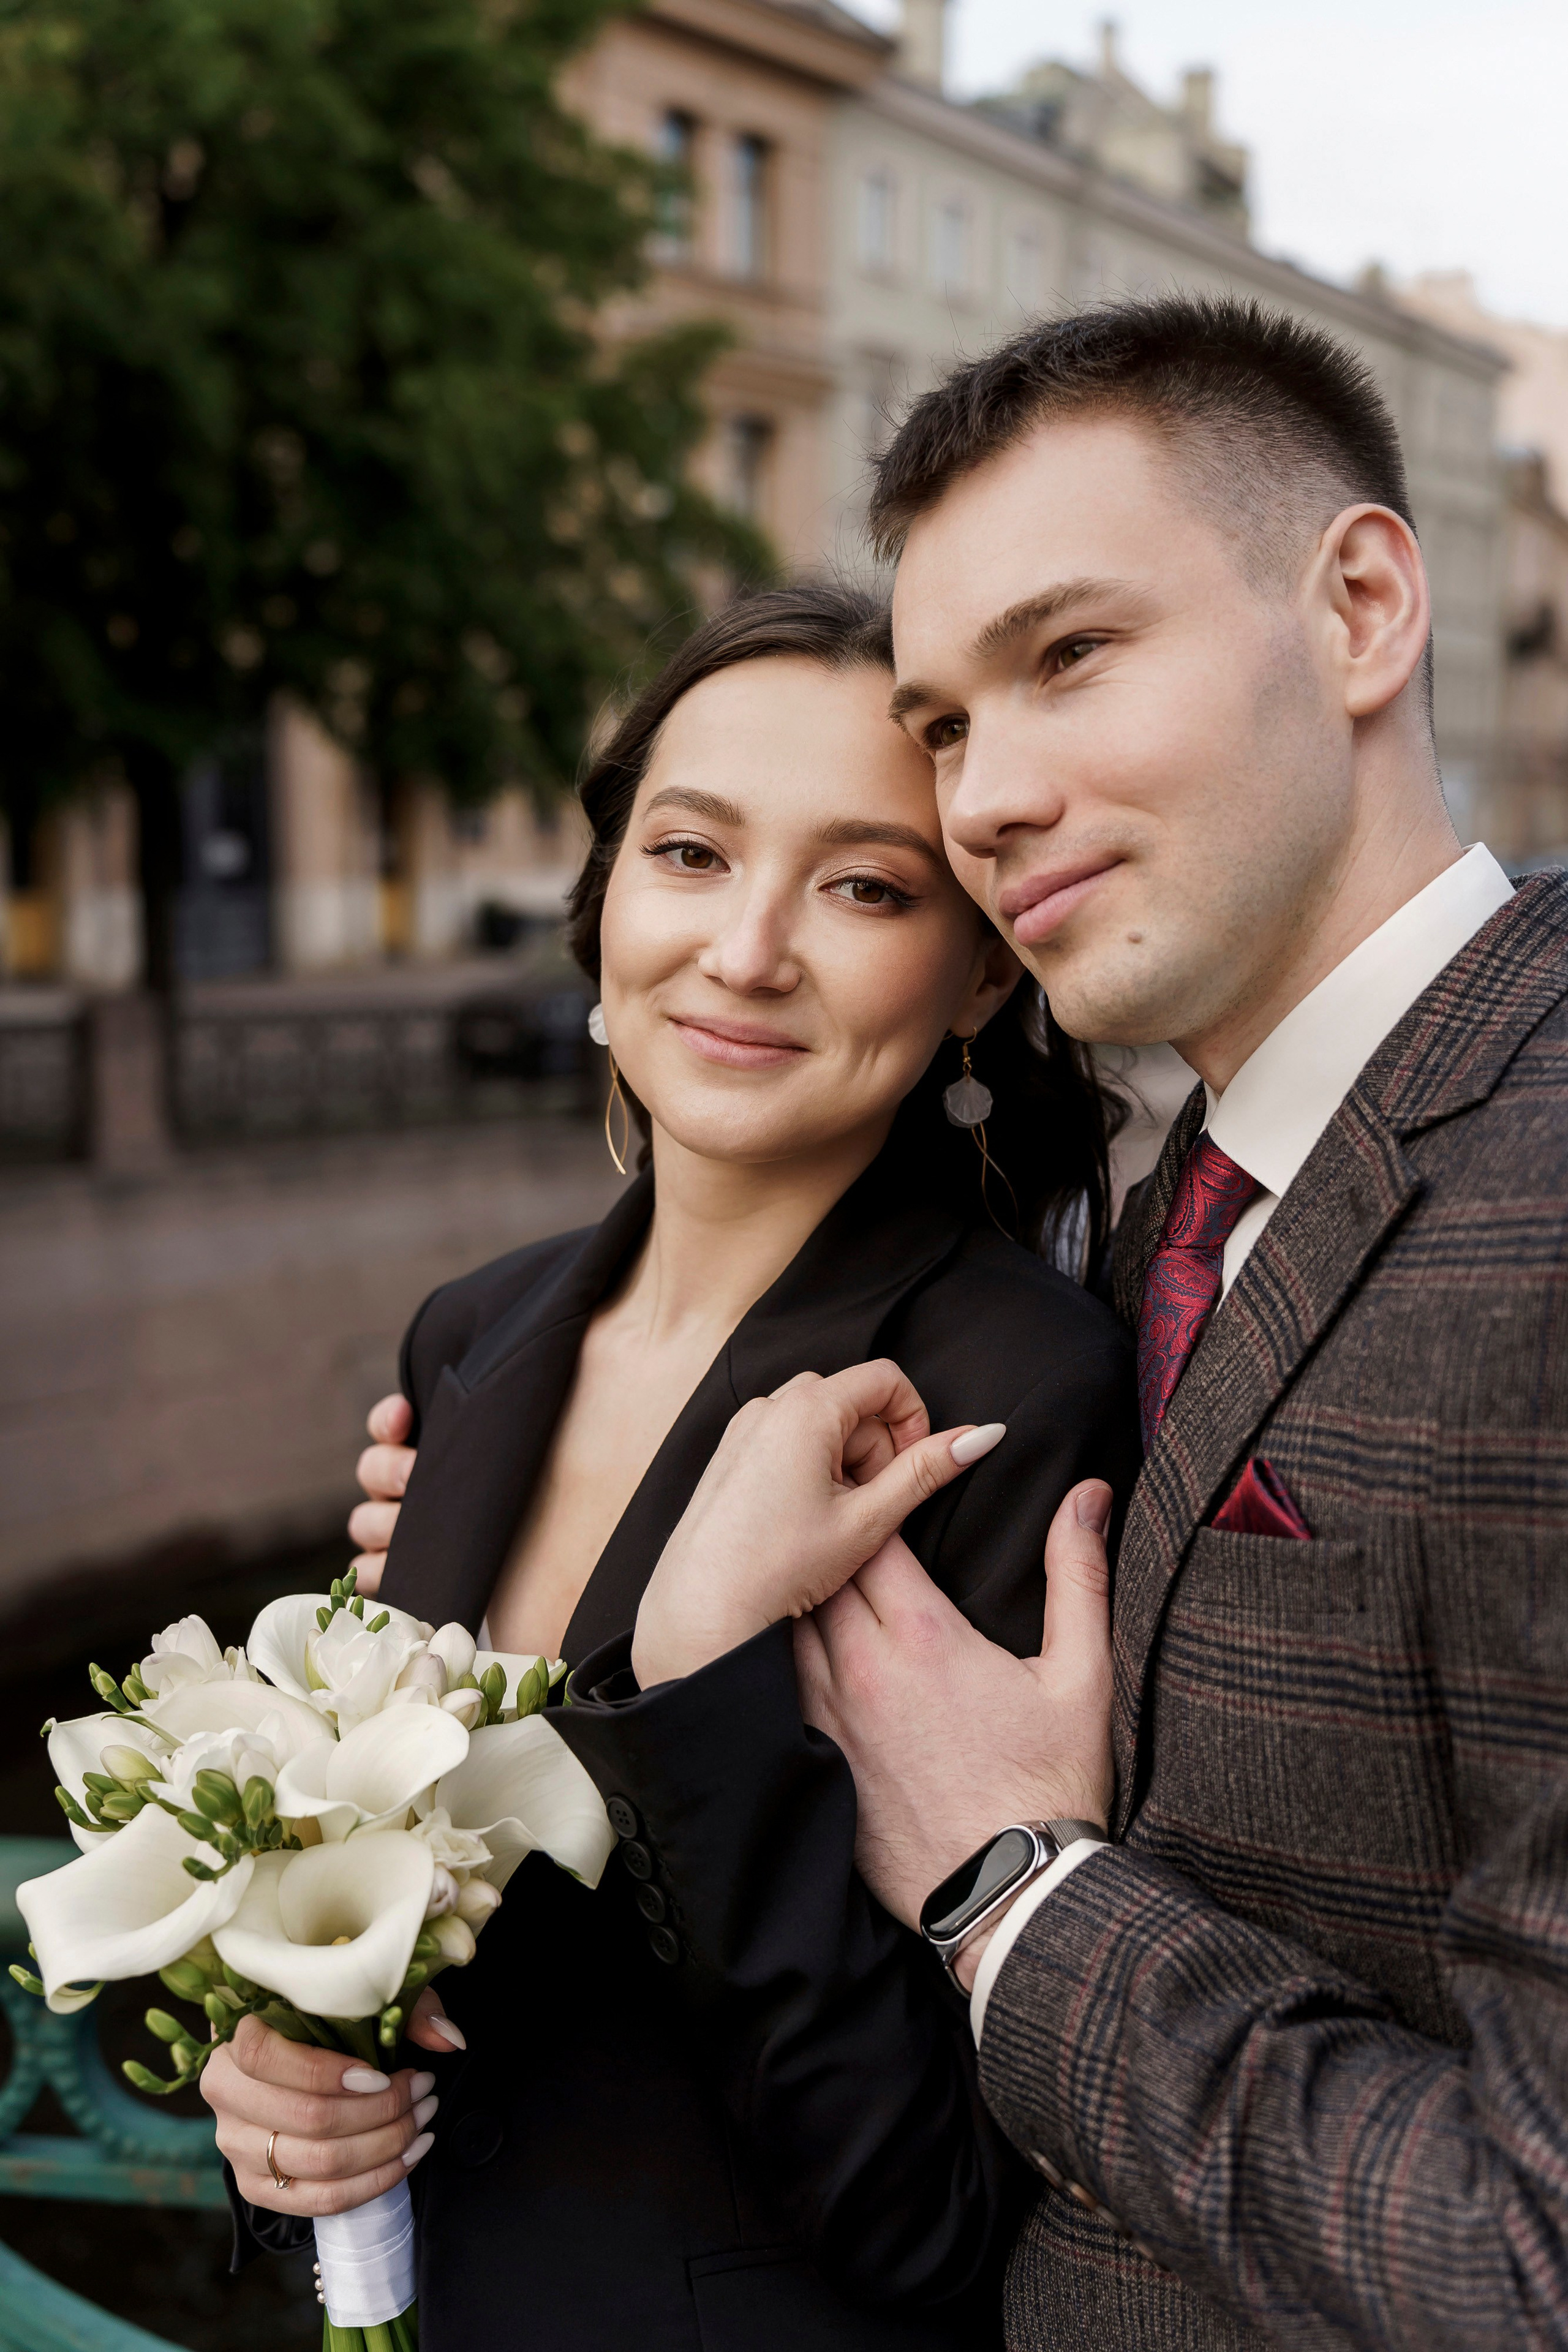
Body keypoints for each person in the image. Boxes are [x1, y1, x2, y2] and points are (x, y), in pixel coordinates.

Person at [601, 296, 1568, 2350]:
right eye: (949, 723)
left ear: (1366, 608)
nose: (990, 799)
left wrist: (1014, 1885)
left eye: (1071, 659)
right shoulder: (1183, 1204)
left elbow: (1535, 2259)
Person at [200, 581, 1140, 2352]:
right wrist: (281, 2092)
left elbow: (930, 2205)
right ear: (610, 888)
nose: (748, 949)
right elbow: (404, 1934)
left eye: (865, 888)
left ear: (982, 970)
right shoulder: (470, 1339)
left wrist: (706, 1672)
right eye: (691, 855)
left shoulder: (1011, 1393)